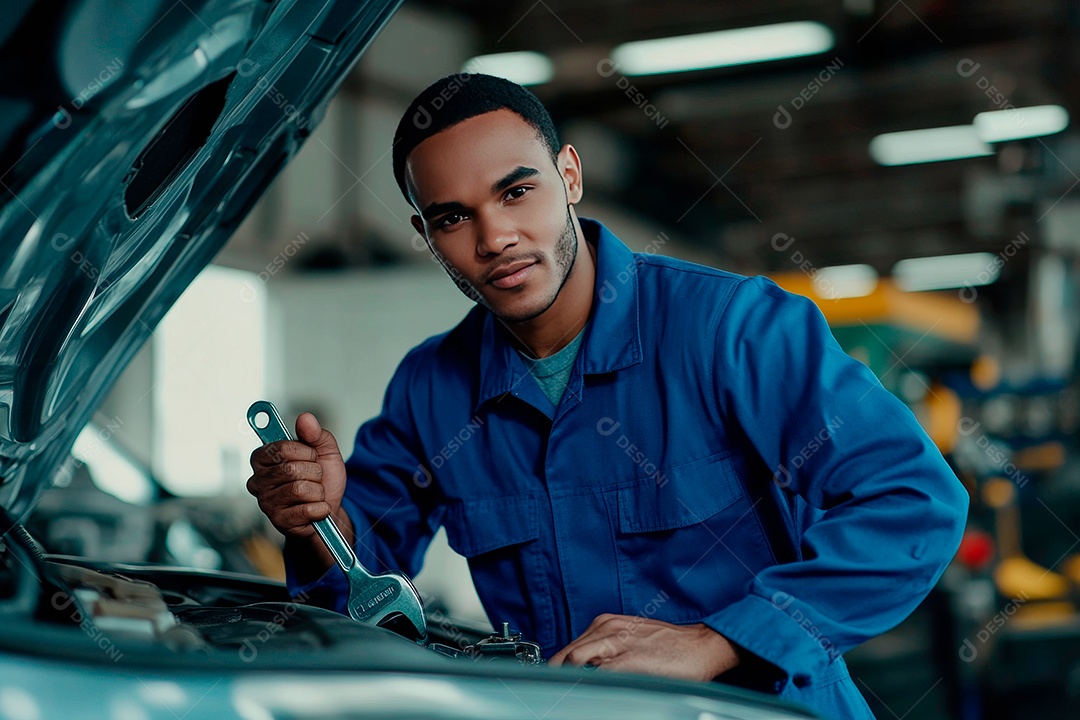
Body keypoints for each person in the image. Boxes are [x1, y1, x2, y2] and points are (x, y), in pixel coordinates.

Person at [247, 72, 969, 718]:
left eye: (516, 191)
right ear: (425, 234)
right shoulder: (431, 389)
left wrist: (718, 641)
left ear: (569, 175)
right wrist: (318, 525)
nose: (495, 238)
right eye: (453, 217)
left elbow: (914, 501)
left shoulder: (731, 328)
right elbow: (362, 593)